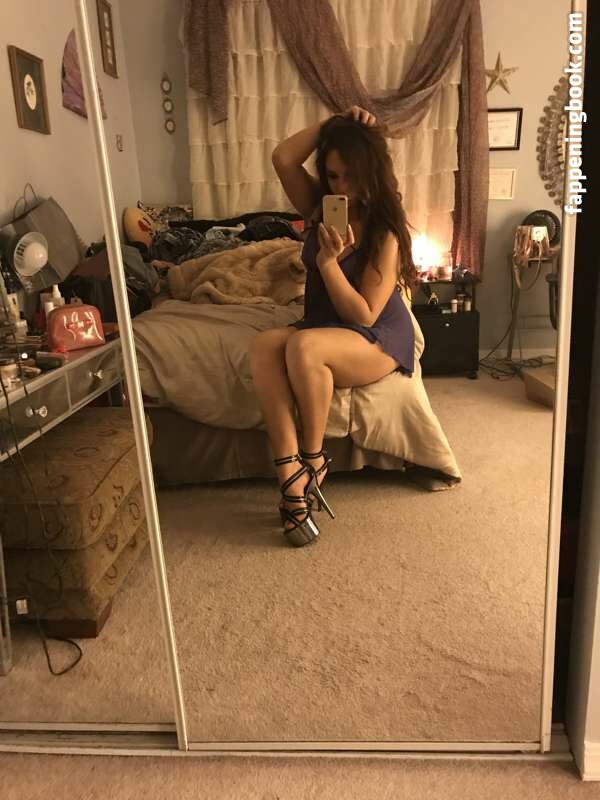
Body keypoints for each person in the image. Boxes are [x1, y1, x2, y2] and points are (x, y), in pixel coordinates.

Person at [249, 105, 417, 547]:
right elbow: (283, 157)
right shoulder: (319, 207)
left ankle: (314, 460)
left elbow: (364, 314)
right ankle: (290, 474)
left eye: (351, 176)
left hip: (377, 335)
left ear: (371, 172)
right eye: (333, 175)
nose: (341, 187)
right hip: (324, 325)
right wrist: (334, 124)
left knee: (304, 347)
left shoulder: (384, 231)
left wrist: (327, 263)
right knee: (265, 346)